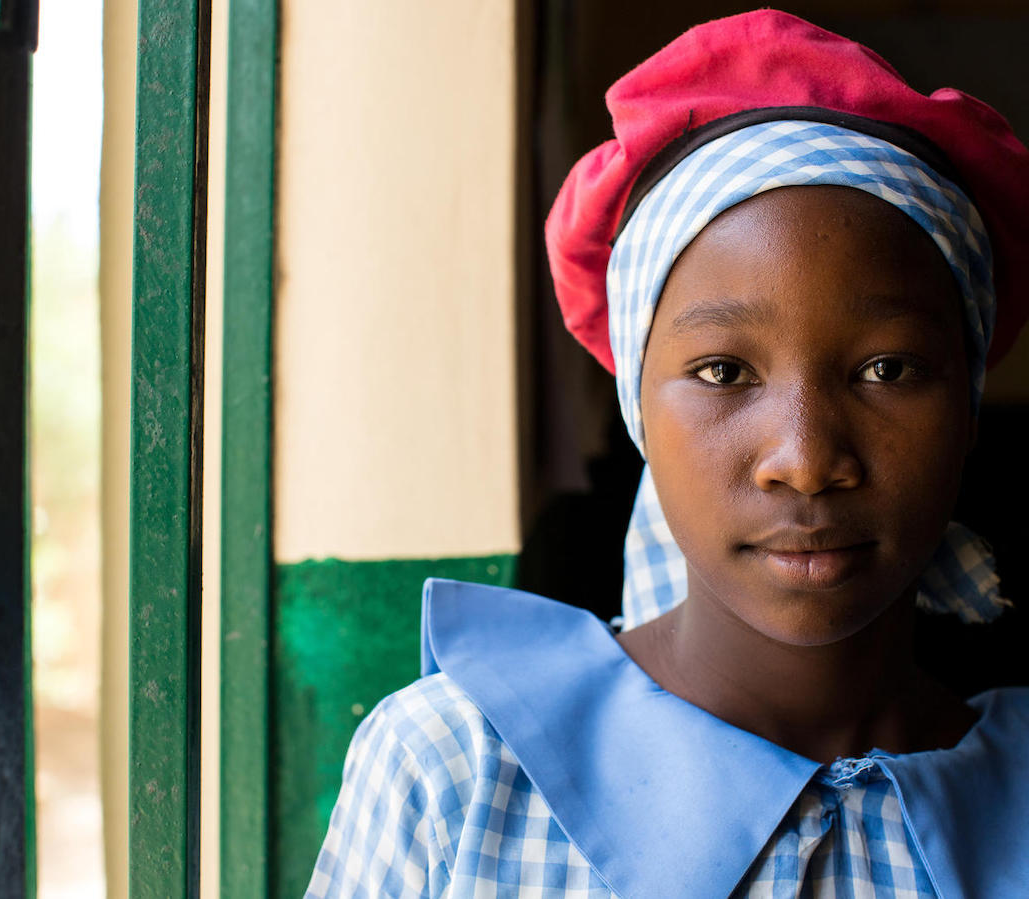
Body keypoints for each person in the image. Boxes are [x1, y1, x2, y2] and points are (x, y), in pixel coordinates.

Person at [305, 10, 1029, 897]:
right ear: (638, 408)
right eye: (723, 370)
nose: (803, 458)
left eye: (887, 367)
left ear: (968, 405)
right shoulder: (455, 774)